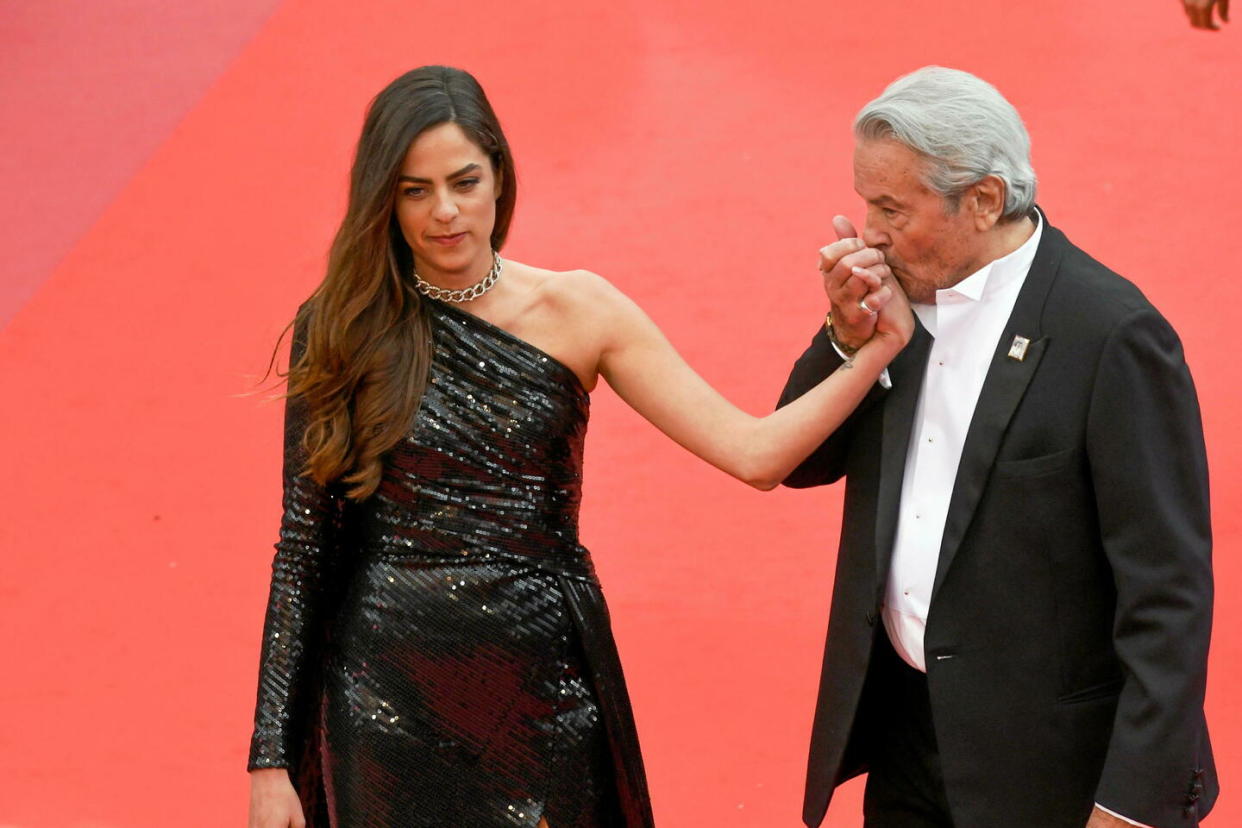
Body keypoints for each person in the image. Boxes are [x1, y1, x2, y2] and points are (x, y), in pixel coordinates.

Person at [246, 65, 912, 828]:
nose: (445, 213)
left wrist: (869, 351)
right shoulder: (341, 324)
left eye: (464, 181)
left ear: (499, 171)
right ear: (383, 199)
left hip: (544, 694)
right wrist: (271, 755)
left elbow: (756, 453)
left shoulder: (581, 310)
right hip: (381, 706)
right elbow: (304, 549)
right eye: (414, 190)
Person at [778, 66, 1216, 828]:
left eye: (890, 209)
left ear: (982, 200)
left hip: (1050, 766)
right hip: (909, 736)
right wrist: (846, 339)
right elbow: (799, 460)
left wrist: (1131, 805)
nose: (868, 234)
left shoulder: (1111, 335)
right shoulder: (893, 306)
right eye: (864, 205)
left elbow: (1168, 595)